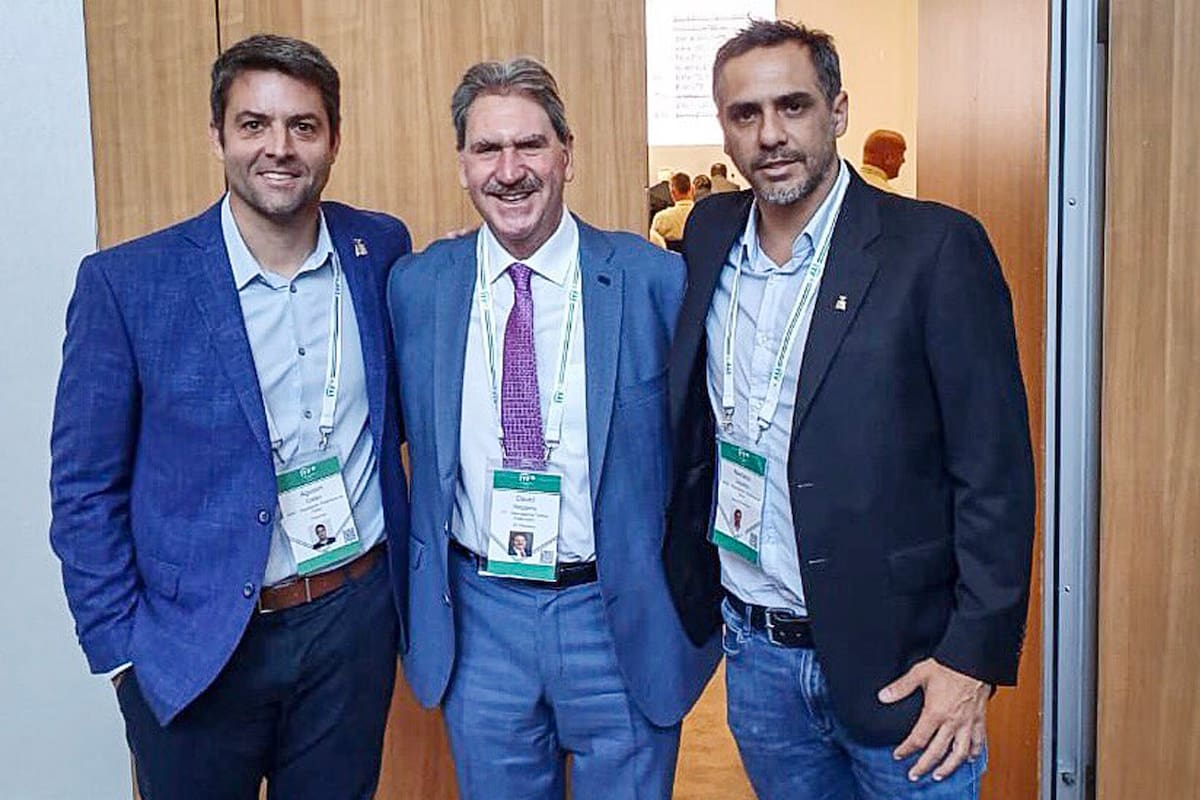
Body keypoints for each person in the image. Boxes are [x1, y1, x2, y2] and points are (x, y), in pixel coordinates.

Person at [663, 19, 1034, 800]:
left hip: (905, 668)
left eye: (792, 107)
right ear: (725, 130)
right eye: (745, 115)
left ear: (837, 111)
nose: (770, 135)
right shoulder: (707, 232)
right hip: (758, 657)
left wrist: (973, 659)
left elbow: (994, 473)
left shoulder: (934, 250)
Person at [50, 34, 412, 800]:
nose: (278, 148)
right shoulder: (129, 283)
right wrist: (122, 654)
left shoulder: (377, 248)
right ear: (216, 135)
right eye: (254, 124)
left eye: (302, 126)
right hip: (197, 646)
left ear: (333, 140)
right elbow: (84, 487)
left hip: (351, 625)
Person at [390, 56, 718, 800]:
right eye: (487, 149)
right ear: (463, 168)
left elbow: (704, 449)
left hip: (618, 614)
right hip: (481, 618)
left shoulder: (654, 281)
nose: (510, 170)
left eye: (530, 145)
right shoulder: (417, 288)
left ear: (567, 153)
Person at [650, 172, 696, 248]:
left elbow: (653, 244)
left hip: (671, 258)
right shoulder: (704, 215)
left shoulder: (661, 218)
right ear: (692, 189)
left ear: (672, 192)